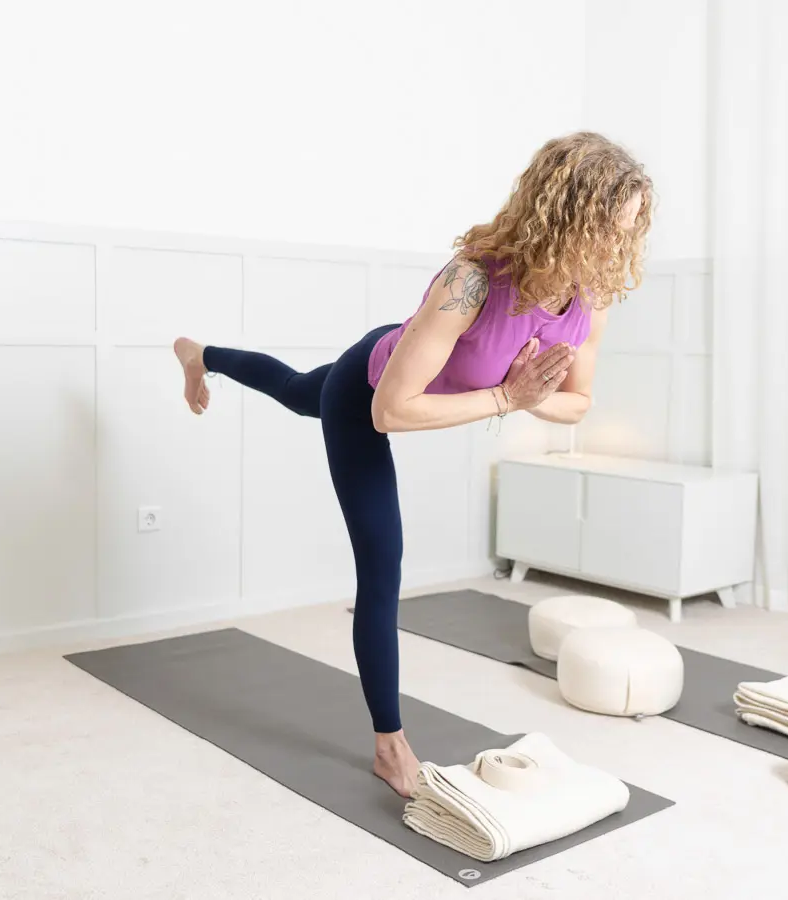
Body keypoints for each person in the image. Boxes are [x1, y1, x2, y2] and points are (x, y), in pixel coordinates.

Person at [173, 131, 653, 797]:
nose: (616, 249)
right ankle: (388, 743)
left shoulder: (589, 299)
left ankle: (203, 355)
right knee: (380, 555)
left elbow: (578, 403)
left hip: (423, 382)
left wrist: (529, 400)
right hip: (367, 387)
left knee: (290, 388)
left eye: (628, 234)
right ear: (564, 214)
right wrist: (505, 396)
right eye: (608, 230)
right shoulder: (470, 281)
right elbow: (390, 413)